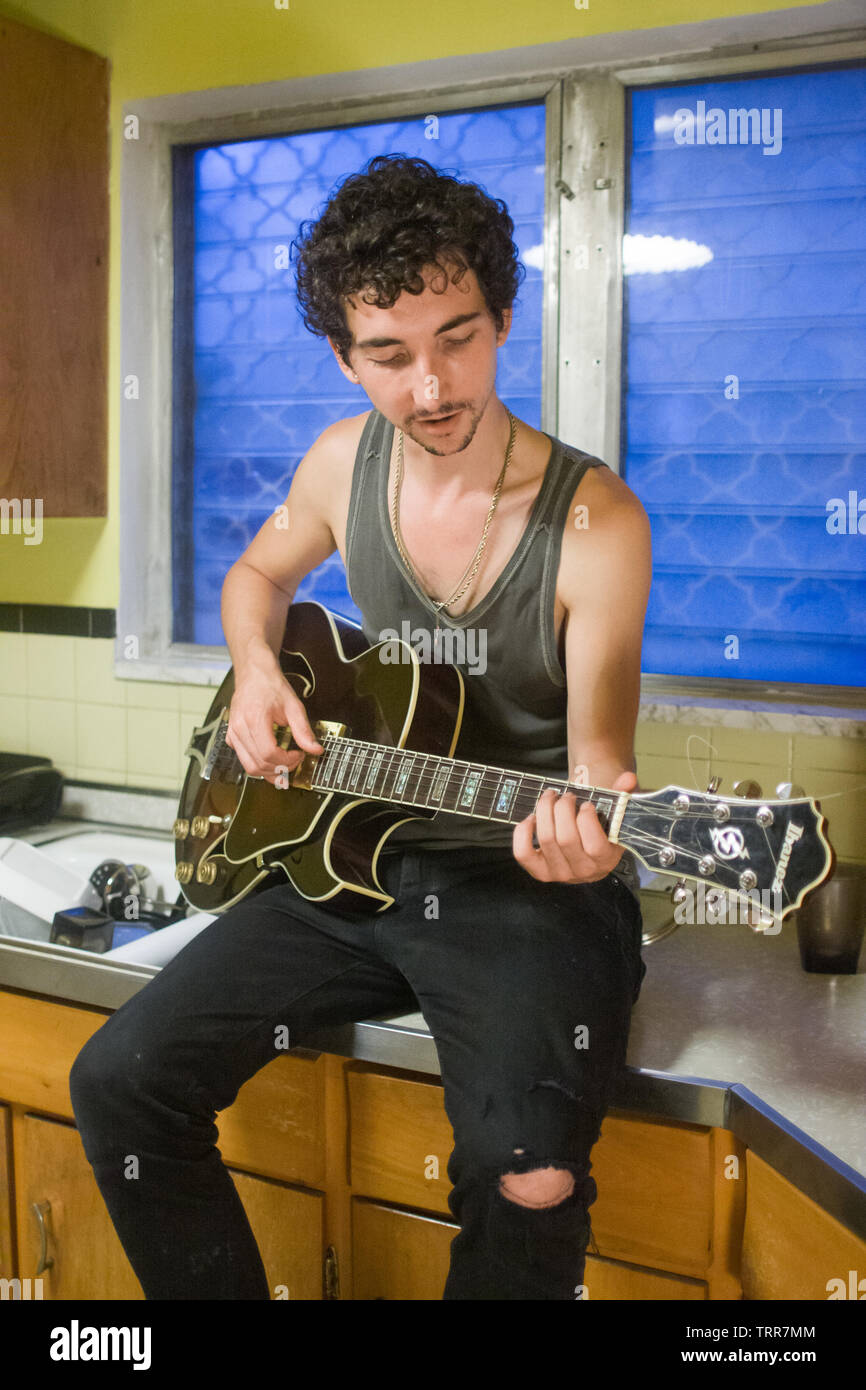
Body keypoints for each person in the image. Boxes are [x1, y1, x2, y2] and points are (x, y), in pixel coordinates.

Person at [70, 153, 652, 1301]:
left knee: (528, 1173)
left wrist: (595, 826)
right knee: (119, 1078)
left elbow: (600, 763)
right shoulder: (342, 462)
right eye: (388, 354)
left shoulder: (595, 520)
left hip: (522, 875)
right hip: (351, 855)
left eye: (458, 337)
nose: (430, 386)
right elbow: (254, 575)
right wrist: (250, 673)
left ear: (499, 322)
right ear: (344, 355)